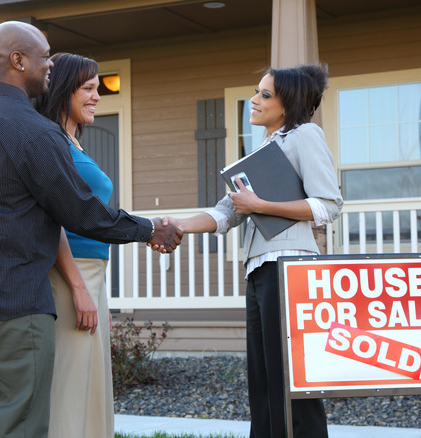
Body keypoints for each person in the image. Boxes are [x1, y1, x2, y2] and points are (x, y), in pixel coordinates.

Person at [0, 21, 182, 438]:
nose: (49, 66)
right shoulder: (35, 132)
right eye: (44, 57)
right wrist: (149, 228)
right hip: (14, 308)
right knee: (15, 425)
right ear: (17, 61)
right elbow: (82, 213)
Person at [163, 64, 343, 438]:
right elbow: (226, 212)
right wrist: (173, 225)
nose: (254, 100)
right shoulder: (264, 148)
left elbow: (328, 205)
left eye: (265, 94)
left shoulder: (305, 135)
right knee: (263, 378)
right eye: (256, 92)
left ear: (287, 103)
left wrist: (260, 204)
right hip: (261, 270)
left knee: (291, 376)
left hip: (290, 267)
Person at [33, 52, 115, 438]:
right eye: (88, 88)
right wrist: (80, 289)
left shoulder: (73, 142)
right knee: (70, 386)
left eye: (97, 88)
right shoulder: (51, 143)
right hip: (69, 275)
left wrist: (99, 295)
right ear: (64, 90)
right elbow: (53, 221)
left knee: (92, 384)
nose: (97, 96)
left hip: (93, 275)